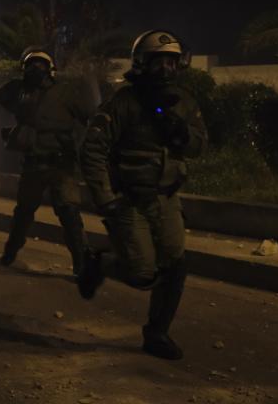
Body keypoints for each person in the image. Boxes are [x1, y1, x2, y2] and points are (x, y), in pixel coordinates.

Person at [77, 30, 207, 360]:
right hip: (129, 200)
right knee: (142, 273)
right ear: (141, 63)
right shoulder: (123, 103)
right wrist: (105, 198)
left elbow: (201, 145)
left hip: (166, 198)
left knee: (175, 265)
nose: (165, 68)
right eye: (158, 61)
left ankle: (157, 333)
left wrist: (183, 134)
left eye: (171, 61)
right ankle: (101, 263)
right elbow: (92, 150)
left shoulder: (184, 100)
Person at [0, 47, 97, 276]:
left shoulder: (66, 92)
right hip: (33, 163)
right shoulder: (22, 92)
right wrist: (22, 82)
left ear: (51, 69)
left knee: (69, 215)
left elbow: (88, 115)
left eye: (41, 65)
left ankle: (81, 264)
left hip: (61, 164)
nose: (36, 69)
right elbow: (1, 95)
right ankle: (10, 252)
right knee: (23, 214)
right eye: (31, 65)